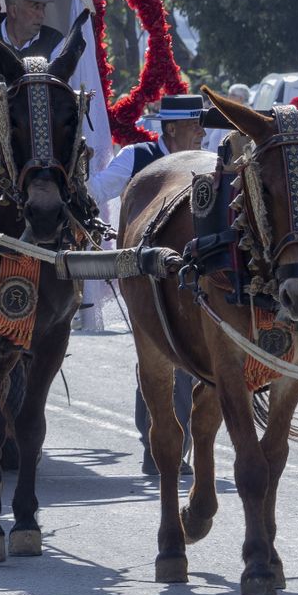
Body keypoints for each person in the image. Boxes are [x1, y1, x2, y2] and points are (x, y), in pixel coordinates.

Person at [87, 95, 204, 477]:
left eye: (202, 125)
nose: (201, 133)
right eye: (194, 126)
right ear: (171, 129)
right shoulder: (138, 158)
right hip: (146, 276)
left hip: (193, 273)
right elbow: (96, 191)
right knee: (160, 359)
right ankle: (159, 445)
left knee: (191, 361)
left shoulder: (207, 163)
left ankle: (172, 446)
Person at [0, 0, 64, 59]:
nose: (42, 15)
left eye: (43, 7)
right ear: (13, 11)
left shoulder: (54, 40)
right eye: (36, 7)